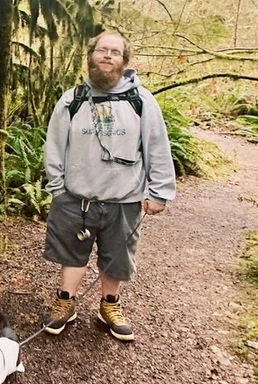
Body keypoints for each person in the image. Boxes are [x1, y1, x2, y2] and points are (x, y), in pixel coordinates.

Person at [42, 30, 176, 342]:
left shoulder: (141, 101)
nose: (107, 56)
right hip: (76, 198)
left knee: (117, 255)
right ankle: (65, 302)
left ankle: (110, 305)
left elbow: (157, 146)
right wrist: (58, 189)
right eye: (102, 50)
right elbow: (54, 146)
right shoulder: (72, 100)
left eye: (115, 52)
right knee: (71, 251)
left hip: (124, 199)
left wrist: (159, 192)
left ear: (124, 61)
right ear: (90, 56)